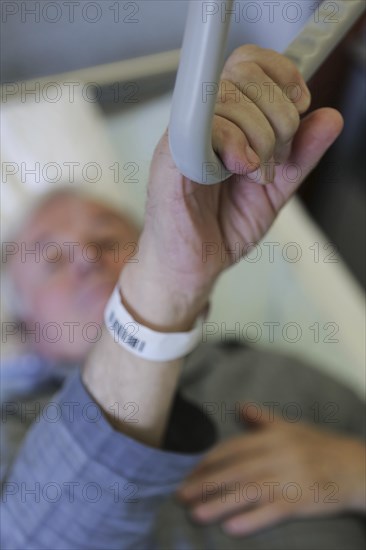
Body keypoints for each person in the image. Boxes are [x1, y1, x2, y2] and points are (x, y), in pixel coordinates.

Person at [1, 45, 365, 549]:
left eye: (108, 238)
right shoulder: (14, 433)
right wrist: (162, 289)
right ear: (24, 324)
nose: (85, 254)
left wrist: (356, 471)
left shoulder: (278, 375)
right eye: (51, 260)